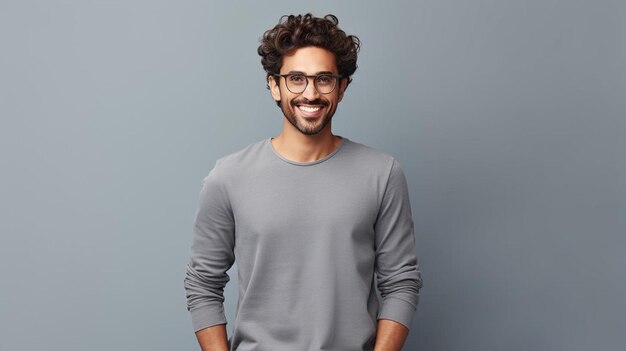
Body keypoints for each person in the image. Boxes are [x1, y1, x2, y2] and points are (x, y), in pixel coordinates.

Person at [184, 13, 422, 351]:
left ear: (342, 87)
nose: (310, 93)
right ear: (274, 86)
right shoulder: (228, 177)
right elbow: (202, 284)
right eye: (296, 78)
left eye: (324, 79)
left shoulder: (382, 173)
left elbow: (401, 282)